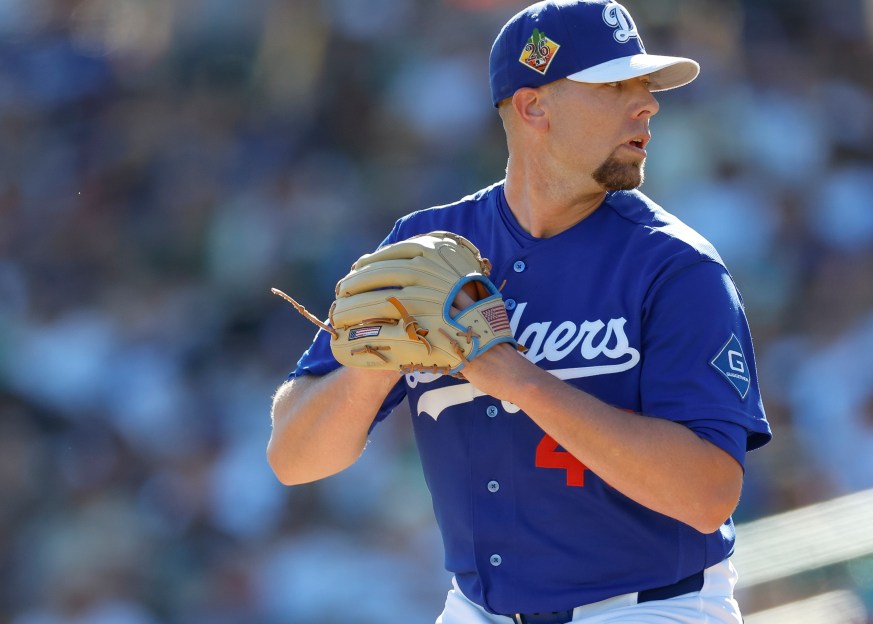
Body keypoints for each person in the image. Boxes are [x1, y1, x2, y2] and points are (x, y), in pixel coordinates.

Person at [267, 1, 772, 622]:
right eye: (617, 85)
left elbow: (708, 494)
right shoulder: (428, 247)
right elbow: (292, 458)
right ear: (534, 107)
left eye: (646, 85)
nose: (647, 104)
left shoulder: (675, 268)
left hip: (647, 607)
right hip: (477, 608)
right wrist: (382, 358)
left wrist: (517, 379)